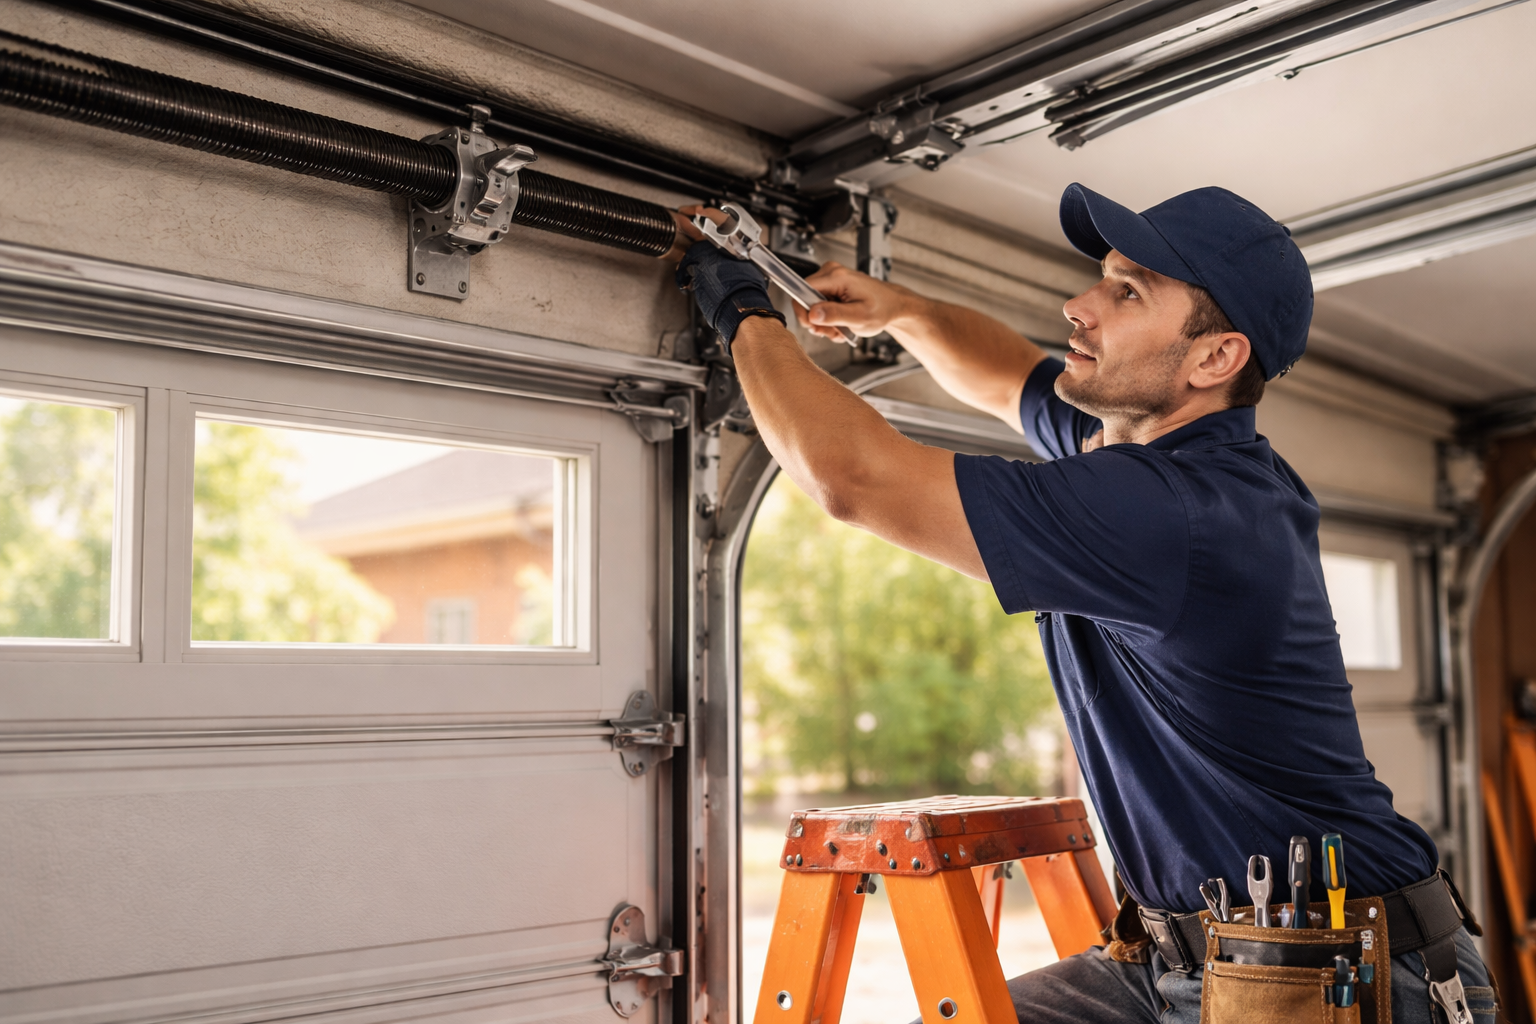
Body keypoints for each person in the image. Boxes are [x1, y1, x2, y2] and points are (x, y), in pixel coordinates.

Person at [674, 184, 1495, 1024]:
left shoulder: (1171, 512)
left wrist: (740, 309)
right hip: (1176, 956)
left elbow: (853, 478)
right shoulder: (1147, 441)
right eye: (1101, 278)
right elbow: (1005, 379)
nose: (1079, 305)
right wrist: (905, 311)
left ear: (1214, 359)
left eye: (1127, 292)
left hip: (1335, 975)